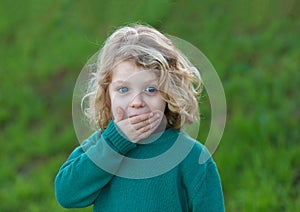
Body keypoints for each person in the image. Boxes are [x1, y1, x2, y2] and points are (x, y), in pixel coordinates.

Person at [55, 24, 225, 211]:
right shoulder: (101, 146)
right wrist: (116, 143)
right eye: (123, 89)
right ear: (107, 94)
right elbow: (66, 195)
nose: (137, 102)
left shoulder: (192, 157)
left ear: (169, 93)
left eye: (151, 89)